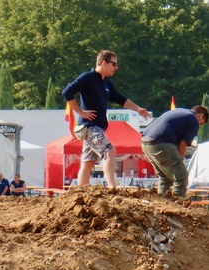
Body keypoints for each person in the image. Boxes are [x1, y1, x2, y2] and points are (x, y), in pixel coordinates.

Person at [62, 50, 151, 188]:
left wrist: (138, 109)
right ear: (104, 63)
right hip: (91, 126)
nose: (116, 68)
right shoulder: (88, 77)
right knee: (110, 152)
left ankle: (80, 192)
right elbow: (67, 92)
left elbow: (119, 98)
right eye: (114, 64)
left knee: (88, 162)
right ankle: (112, 187)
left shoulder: (106, 82)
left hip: (96, 127)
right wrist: (80, 112)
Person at [141, 106, 208, 197]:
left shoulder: (179, 111)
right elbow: (183, 144)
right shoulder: (193, 119)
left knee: (165, 177)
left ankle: (163, 203)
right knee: (181, 176)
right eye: (201, 123)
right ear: (200, 115)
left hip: (145, 142)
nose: (199, 125)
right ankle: (178, 203)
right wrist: (180, 162)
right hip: (162, 143)